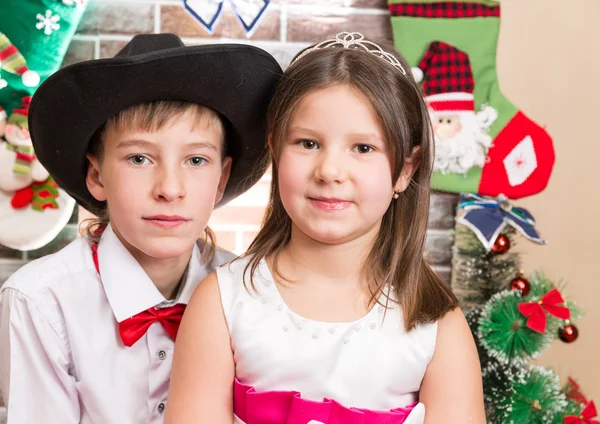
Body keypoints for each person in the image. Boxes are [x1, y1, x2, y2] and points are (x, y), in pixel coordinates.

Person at [166, 32, 485, 424]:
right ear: (276, 151)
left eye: (363, 148)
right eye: (307, 143)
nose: (330, 171)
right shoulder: (224, 302)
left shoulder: (436, 325)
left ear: (405, 170)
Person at [0, 33, 281, 423]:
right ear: (97, 175)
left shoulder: (251, 294)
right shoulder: (40, 302)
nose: (169, 188)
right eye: (139, 158)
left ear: (222, 178)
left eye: (196, 160)